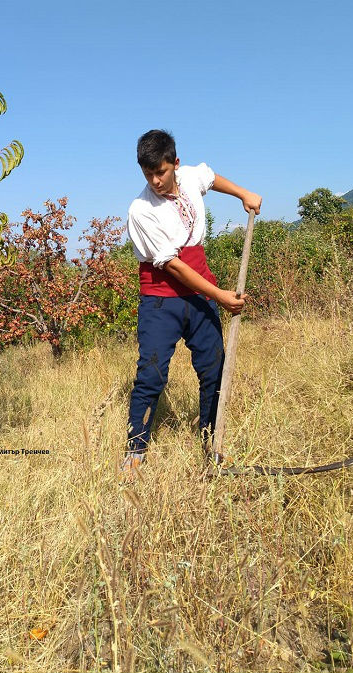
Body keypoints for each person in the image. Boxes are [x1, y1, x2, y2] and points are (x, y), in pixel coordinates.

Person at [123, 129, 262, 479]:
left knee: (213, 367)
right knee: (152, 375)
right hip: (160, 300)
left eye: (161, 172)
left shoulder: (189, 177)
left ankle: (211, 441)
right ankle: (136, 448)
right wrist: (220, 297)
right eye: (148, 174)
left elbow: (210, 178)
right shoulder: (141, 210)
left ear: (175, 164)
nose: (155, 180)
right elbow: (172, 266)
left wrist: (243, 193)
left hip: (199, 293)